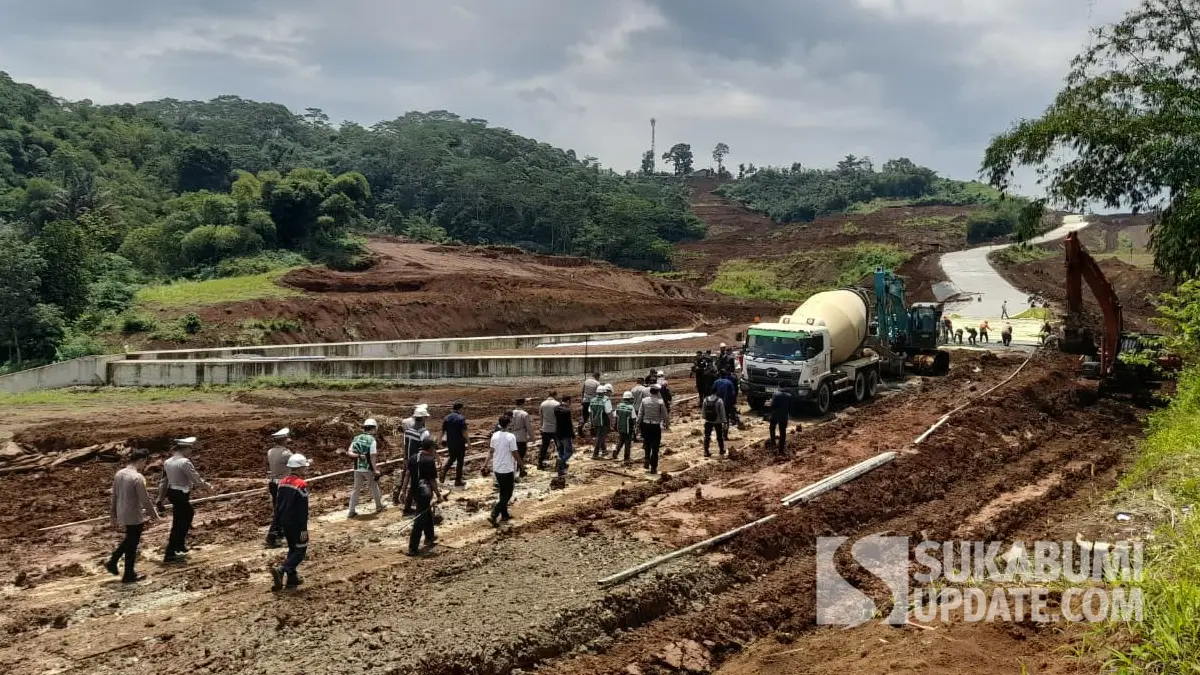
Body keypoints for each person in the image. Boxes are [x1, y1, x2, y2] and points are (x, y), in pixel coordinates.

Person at [107, 448, 159, 583]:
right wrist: (155, 516)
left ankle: (113, 561)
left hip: (122, 512)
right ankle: (128, 574)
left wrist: (113, 515)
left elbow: (114, 496)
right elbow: (145, 500)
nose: (144, 465)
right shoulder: (137, 477)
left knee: (130, 539)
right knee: (132, 544)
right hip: (134, 515)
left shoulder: (119, 474)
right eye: (144, 462)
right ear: (141, 460)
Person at [157, 436, 210, 564]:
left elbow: (164, 481)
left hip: (173, 493)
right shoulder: (185, 462)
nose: (191, 451)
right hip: (181, 494)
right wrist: (208, 487)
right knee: (182, 520)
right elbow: (196, 479)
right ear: (184, 449)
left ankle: (179, 545)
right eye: (190, 449)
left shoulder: (168, 462)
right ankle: (170, 553)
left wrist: (160, 499)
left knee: (181, 518)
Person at [270, 453, 312, 591]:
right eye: (304, 467)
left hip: (284, 521)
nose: (305, 470)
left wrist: (276, 524)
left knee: (292, 548)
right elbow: (303, 510)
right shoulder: (301, 484)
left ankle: (292, 579)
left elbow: (277, 505)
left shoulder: (282, 482)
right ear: (299, 468)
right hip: (296, 523)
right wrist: (303, 528)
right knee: (300, 550)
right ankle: (282, 569)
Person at [406, 439, 442, 556]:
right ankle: (413, 547)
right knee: (420, 519)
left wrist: (403, 491)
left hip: (415, 491)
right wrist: (438, 495)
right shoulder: (429, 460)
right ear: (430, 448)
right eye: (434, 448)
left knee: (427, 512)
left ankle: (430, 537)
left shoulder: (413, 458)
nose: (434, 450)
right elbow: (432, 480)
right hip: (425, 492)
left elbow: (407, 475)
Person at [486, 416, 521, 527]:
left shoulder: (495, 435)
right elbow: (515, 453)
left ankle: (504, 514)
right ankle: (494, 513)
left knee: (503, 492)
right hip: (507, 469)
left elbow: (491, 451)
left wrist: (485, 464)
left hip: (497, 468)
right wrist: (522, 465)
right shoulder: (511, 436)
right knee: (508, 493)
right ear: (509, 424)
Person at [347, 419, 385, 518]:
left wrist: (358, 456)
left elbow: (349, 452)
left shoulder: (356, 438)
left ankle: (351, 511)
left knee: (356, 489)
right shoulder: (372, 440)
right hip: (368, 468)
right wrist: (375, 470)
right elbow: (373, 456)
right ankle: (379, 506)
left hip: (357, 468)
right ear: (373, 428)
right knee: (374, 486)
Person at [265, 427, 292, 548]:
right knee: (281, 511)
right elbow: (296, 463)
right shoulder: (286, 453)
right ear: (284, 440)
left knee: (278, 508)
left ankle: (280, 532)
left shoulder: (270, 451)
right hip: (283, 484)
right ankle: (271, 537)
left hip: (273, 483)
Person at [637, 385, 670, 474]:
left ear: (650, 392)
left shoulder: (644, 401)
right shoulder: (660, 402)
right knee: (655, 447)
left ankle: (647, 460)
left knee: (647, 444)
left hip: (646, 425)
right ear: (658, 392)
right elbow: (665, 415)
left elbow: (640, 414)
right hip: (655, 426)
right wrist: (667, 423)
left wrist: (637, 424)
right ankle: (653, 467)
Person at [440, 402, 468, 487]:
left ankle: (444, 471)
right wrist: (469, 443)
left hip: (450, 442)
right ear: (460, 409)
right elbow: (464, 433)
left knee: (452, 458)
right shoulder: (461, 418)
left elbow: (443, 431)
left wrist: (439, 441)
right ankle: (458, 480)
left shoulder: (447, 418)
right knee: (460, 461)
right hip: (460, 443)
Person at [510, 398, 535, 478]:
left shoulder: (511, 413)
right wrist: (532, 437)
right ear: (523, 404)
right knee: (521, 454)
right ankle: (520, 471)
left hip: (512, 436)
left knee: (513, 455)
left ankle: (514, 471)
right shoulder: (524, 414)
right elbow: (529, 427)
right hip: (521, 436)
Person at [589, 384, 614, 459]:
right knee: (600, 437)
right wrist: (611, 423)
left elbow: (590, 412)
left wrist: (592, 422)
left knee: (600, 435)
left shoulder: (592, 400)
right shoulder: (606, 400)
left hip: (595, 421)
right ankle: (595, 454)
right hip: (603, 421)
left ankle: (604, 450)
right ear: (604, 392)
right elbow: (609, 413)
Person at [700, 390, 727, 458]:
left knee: (707, 436)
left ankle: (706, 451)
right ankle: (721, 450)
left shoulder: (705, 400)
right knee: (719, 436)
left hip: (708, 421)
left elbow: (703, 412)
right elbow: (722, 412)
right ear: (716, 392)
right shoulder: (719, 400)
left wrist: (705, 417)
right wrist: (725, 422)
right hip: (717, 421)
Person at [538, 391, 560, 471]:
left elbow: (541, 417)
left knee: (544, 447)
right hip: (555, 429)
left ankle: (540, 464)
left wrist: (542, 426)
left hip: (545, 429)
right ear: (555, 395)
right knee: (559, 447)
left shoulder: (543, 404)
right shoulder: (557, 404)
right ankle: (559, 465)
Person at [712, 370, 737, 440]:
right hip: (726, 404)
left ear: (720, 375)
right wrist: (733, 403)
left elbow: (712, 392)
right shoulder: (729, 383)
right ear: (726, 375)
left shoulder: (716, 382)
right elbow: (733, 394)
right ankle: (725, 435)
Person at [554, 396, 575, 476]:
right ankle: (560, 462)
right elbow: (569, 423)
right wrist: (572, 434)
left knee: (561, 451)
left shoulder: (556, 409)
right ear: (568, 401)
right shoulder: (567, 411)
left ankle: (561, 470)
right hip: (566, 434)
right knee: (569, 452)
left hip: (557, 433)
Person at [613, 391, 636, 463]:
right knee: (627, 442)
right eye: (632, 399)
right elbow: (634, 418)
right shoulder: (631, 407)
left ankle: (616, 451)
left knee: (621, 440)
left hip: (620, 426)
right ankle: (626, 457)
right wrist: (635, 426)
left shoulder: (619, 406)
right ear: (629, 399)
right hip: (628, 427)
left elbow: (615, 416)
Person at [769, 387, 793, 453]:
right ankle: (781, 449)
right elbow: (790, 408)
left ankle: (773, 443)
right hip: (784, 417)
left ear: (779, 386)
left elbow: (772, 405)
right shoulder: (789, 396)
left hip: (774, 416)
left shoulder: (775, 394)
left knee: (772, 428)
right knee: (782, 432)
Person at [629, 378, 650, 442]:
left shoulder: (632, 389)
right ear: (643, 382)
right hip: (641, 408)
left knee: (634, 422)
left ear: (637, 382)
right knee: (642, 423)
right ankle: (643, 436)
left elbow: (630, 399)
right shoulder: (644, 389)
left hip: (634, 408)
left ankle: (634, 436)